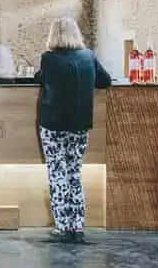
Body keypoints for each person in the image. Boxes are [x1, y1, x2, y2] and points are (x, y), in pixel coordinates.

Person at [36, 16, 113, 243]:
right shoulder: (88, 56)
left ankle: (62, 227)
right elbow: (105, 81)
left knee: (57, 173)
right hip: (80, 125)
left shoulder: (48, 58)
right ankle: (78, 226)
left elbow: (41, 79)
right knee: (75, 173)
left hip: (53, 125)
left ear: (53, 35)